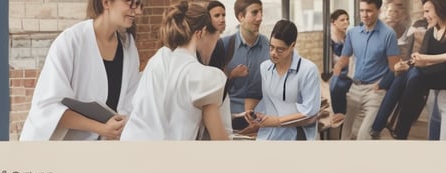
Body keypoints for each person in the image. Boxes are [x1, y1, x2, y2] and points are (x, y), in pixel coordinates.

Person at [20, 0, 142, 140]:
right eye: (131, 3)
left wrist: (119, 126)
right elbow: (48, 108)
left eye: (139, 5)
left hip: (105, 149)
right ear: (106, 3)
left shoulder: (128, 46)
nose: (138, 11)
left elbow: (130, 102)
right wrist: (101, 128)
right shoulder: (71, 41)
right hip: (62, 151)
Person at [121, 1, 229, 140]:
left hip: (131, 145)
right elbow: (220, 139)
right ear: (200, 33)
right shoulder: (204, 76)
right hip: (170, 156)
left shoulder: (158, 59)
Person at [370, 0, 446, 139]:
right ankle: (391, 128)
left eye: (427, 11)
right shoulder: (431, 32)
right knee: (405, 74)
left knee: (412, 76)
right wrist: (412, 63)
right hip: (433, 96)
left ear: (439, 9)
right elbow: (423, 60)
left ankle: (392, 129)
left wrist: (426, 60)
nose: (424, 15)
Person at [333, 0, 400, 140]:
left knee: (364, 135)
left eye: (369, 11)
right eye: (362, 10)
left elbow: (394, 67)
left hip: (375, 91)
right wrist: (338, 66)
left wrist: (382, 86)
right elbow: (345, 57)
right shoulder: (352, 33)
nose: (364, 15)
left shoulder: (389, 34)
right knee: (345, 135)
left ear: (378, 10)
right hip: (355, 88)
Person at [244, 20, 321, 140]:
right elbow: (269, 102)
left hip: (296, 138)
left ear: (292, 46)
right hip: (268, 135)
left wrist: (277, 121)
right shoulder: (265, 67)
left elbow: (309, 113)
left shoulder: (308, 70)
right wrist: (254, 114)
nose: (274, 53)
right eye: (271, 47)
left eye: (280, 49)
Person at [222, 0, 270, 130]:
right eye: (254, 13)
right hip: (230, 118)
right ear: (240, 17)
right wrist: (231, 74)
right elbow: (212, 81)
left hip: (261, 118)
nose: (260, 18)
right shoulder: (224, 45)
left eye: (261, 12)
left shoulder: (269, 47)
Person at [328, 9, 351, 123]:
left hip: (348, 71)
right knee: (337, 85)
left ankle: (345, 116)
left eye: (347, 19)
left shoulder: (348, 37)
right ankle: (339, 115)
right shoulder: (329, 39)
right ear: (333, 22)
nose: (346, 22)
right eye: (342, 20)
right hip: (335, 73)